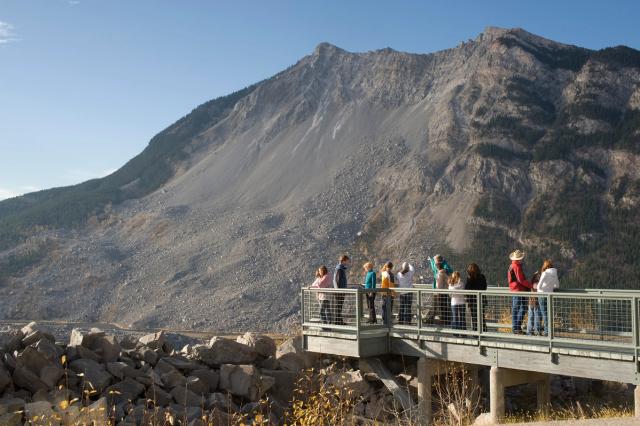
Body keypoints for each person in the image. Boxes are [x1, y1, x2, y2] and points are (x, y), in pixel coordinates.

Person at [508, 250, 532, 334]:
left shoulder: (511, 265)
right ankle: (516, 327)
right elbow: (521, 280)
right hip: (518, 290)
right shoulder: (517, 267)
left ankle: (516, 327)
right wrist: (531, 285)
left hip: (515, 289)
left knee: (518, 308)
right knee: (520, 308)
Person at [536, 259, 559, 336]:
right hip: (550, 295)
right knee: (549, 314)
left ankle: (546, 332)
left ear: (545, 266)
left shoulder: (545, 273)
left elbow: (539, 287)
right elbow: (557, 286)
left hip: (542, 295)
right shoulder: (554, 273)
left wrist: (542, 288)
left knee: (544, 314)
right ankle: (549, 331)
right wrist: (549, 287)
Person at [465, 263, 487, 332]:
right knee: (481, 316)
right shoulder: (482, 276)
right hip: (481, 299)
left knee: (474, 316)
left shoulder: (469, 278)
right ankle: (483, 330)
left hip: (473, 300)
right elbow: (485, 287)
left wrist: (468, 299)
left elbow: (467, 289)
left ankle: (476, 331)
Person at [332, 255, 350, 325]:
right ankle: (338, 321)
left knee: (339, 305)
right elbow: (336, 280)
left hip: (340, 290)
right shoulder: (339, 268)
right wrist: (338, 290)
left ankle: (339, 321)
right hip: (340, 290)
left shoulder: (340, 268)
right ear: (344, 260)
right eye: (347, 260)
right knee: (339, 305)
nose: (348, 262)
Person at [435, 261, 450, 326]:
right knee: (445, 306)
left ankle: (443, 320)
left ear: (437, 267)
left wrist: (438, 291)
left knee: (441, 306)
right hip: (445, 291)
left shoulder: (440, 274)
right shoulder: (445, 273)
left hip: (441, 292)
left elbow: (439, 284)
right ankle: (446, 320)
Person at [526, 270, 542, 335]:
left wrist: (534, 275)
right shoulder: (538, 284)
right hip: (536, 303)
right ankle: (537, 331)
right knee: (537, 317)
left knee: (530, 317)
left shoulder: (531, 283)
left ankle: (529, 331)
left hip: (530, 302)